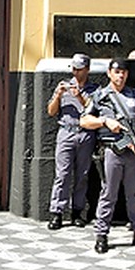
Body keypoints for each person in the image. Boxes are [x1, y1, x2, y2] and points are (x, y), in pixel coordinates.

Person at [80, 57, 135, 254]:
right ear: (109, 73)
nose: (120, 75)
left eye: (123, 72)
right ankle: (102, 234)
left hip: (133, 152)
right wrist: (104, 121)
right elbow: (84, 121)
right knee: (109, 194)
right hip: (112, 150)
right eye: (116, 71)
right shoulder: (100, 95)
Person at [46, 53, 98, 230]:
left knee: (82, 175)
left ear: (87, 70)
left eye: (80, 69)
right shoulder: (64, 85)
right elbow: (51, 112)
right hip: (66, 132)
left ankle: (77, 211)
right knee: (62, 174)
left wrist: (79, 97)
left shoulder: (94, 89)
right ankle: (57, 212)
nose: (76, 72)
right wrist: (59, 96)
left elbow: (94, 110)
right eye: (74, 69)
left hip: (85, 133)